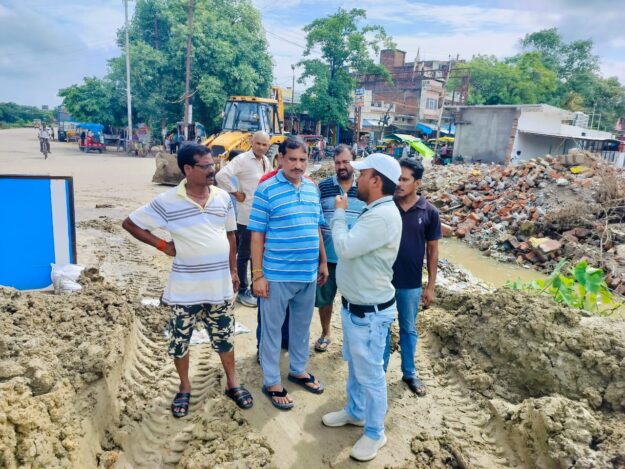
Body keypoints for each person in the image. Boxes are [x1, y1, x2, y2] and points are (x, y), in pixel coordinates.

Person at [121, 143, 253, 417]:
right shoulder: (167, 202)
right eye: (205, 166)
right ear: (187, 169)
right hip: (185, 291)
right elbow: (131, 223)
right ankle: (184, 387)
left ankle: (232, 382)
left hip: (219, 287)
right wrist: (161, 245)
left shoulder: (223, 198)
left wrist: (233, 270)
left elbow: (231, 236)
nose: (212, 170)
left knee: (225, 338)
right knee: (179, 341)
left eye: (213, 164)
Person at [322, 153, 402, 462]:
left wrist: (339, 214)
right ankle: (355, 412)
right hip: (357, 308)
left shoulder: (381, 215)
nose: (357, 179)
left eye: (363, 173)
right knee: (356, 367)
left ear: (376, 181)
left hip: (369, 313)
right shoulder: (376, 209)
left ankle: (374, 432)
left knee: (370, 374)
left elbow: (344, 247)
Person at [249, 136, 328, 410]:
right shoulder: (266, 190)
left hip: (307, 274)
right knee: (271, 331)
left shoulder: (312, 189)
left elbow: (316, 226)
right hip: (276, 275)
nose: (298, 165)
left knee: (301, 327)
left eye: (303, 160)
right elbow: (257, 235)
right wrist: (257, 275)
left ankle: (297, 369)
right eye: (292, 159)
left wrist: (323, 261)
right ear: (280, 159)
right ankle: (272, 380)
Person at [383, 158, 441, 396]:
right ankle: (380, 372)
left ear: (417, 182)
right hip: (383, 282)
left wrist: (431, 286)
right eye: (397, 178)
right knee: (383, 328)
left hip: (410, 284)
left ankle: (409, 373)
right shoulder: (386, 206)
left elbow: (432, 250)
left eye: (405, 179)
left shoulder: (429, 212)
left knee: (408, 328)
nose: (399, 183)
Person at [313, 144, 365, 352]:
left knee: (352, 301)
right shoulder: (323, 187)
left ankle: (350, 339)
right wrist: (321, 259)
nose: (341, 166)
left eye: (345, 161)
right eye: (337, 162)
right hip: (329, 258)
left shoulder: (363, 188)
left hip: (354, 258)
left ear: (353, 161)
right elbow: (317, 221)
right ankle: (326, 333)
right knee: (325, 299)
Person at [216, 131, 272, 307]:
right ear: (251, 142)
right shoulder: (242, 160)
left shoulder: (265, 160)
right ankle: (242, 290)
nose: (261, 147)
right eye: (258, 144)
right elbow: (221, 176)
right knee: (245, 254)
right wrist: (235, 192)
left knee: (258, 253)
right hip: (247, 214)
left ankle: (254, 285)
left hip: (263, 214)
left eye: (264, 145)